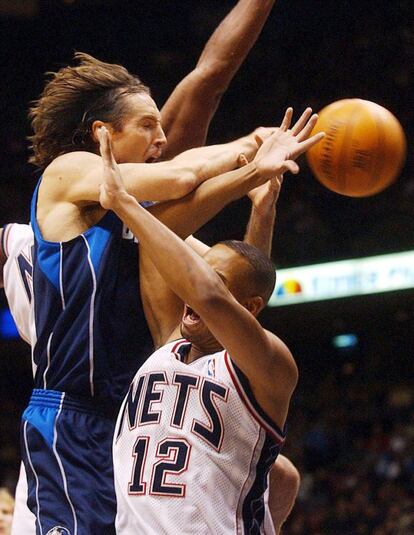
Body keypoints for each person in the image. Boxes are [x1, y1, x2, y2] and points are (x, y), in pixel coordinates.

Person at [11, 2, 311, 533]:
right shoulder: (71, 173)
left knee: (279, 476)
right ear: (103, 132)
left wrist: (261, 202)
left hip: (135, 420)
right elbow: (177, 174)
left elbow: (229, 288)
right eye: (147, 125)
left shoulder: (153, 229)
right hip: (72, 415)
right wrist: (250, 149)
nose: (162, 138)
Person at [96, 125, 312, 533]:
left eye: (214, 278)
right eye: (201, 268)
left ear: (249, 309)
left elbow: (216, 298)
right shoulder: (168, 347)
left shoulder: (272, 367)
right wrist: (261, 207)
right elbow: (221, 293)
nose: (194, 288)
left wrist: (126, 205)